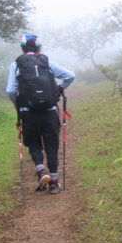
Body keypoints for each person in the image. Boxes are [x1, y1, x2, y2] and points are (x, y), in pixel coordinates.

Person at [6, 33, 75, 194]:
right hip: (49, 111)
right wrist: (57, 90)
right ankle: (54, 182)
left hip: (28, 112)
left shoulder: (16, 64)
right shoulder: (46, 62)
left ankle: (40, 172)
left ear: (22, 48)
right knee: (51, 145)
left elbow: (10, 90)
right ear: (39, 48)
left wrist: (17, 103)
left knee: (34, 143)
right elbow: (70, 76)